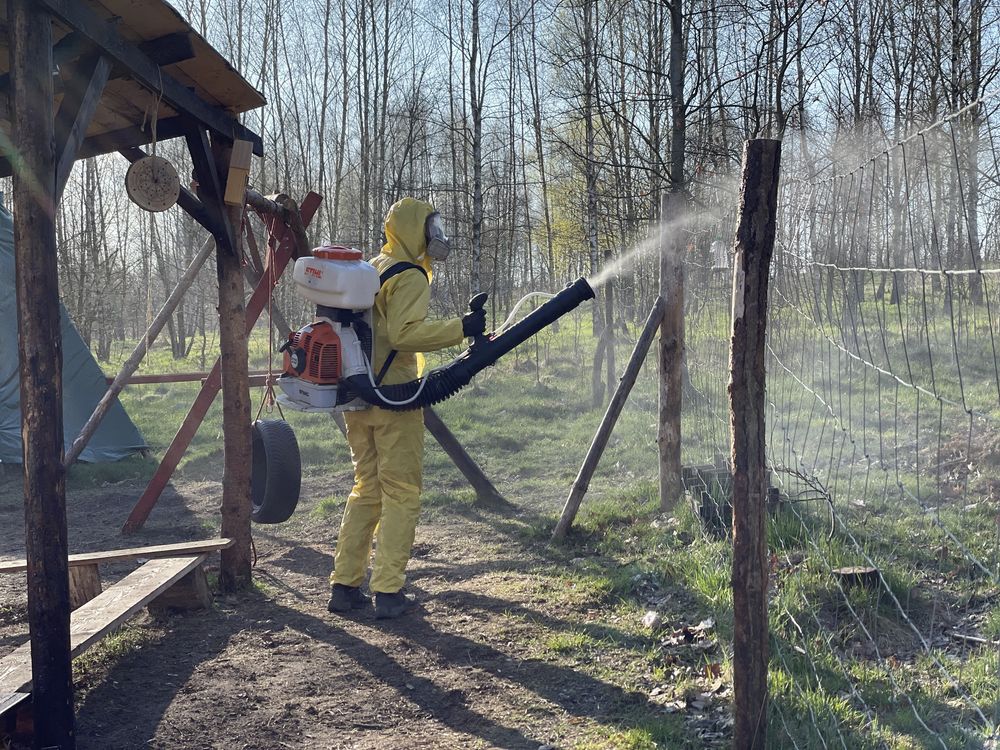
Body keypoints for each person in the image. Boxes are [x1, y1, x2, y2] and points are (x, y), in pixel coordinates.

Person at [327, 197, 486, 619]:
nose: (437, 235)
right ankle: (389, 591)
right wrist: (462, 328)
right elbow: (403, 334)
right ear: (416, 229)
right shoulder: (410, 275)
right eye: (431, 226)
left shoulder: (374, 268)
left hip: (357, 398)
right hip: (394, 397)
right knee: (401, 494)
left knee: (366, 490)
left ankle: (344, 586)